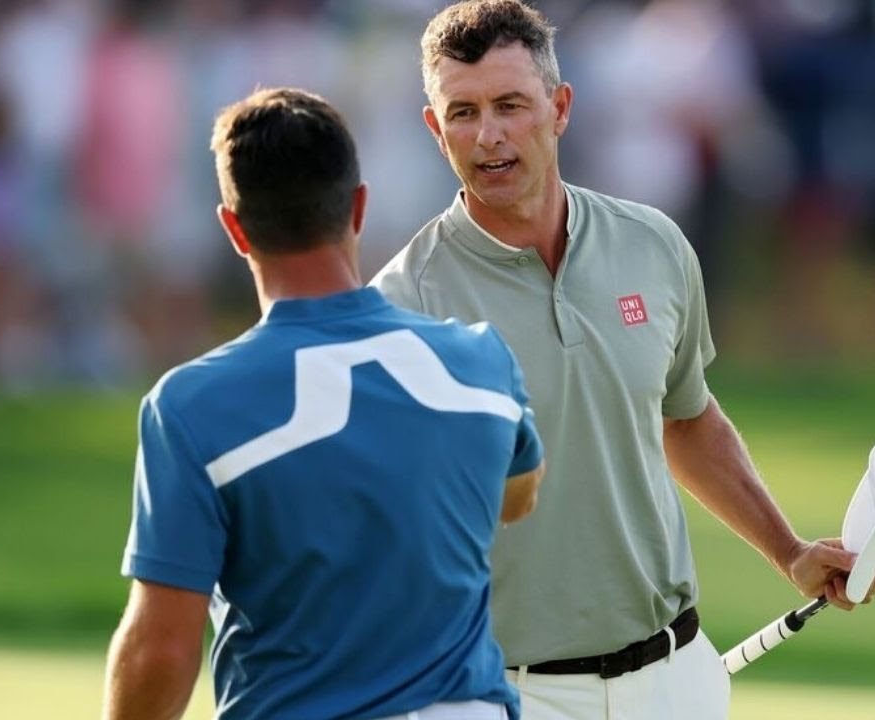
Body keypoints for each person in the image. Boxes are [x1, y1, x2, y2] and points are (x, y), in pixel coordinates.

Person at [370, 2, 875, 718]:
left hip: (674, 675)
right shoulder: (402, 302)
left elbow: (687, 417)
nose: (487, 135)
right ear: (435, 128)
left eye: (510, 105)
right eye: (461, 112)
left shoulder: (653, 245)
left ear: (560, 108)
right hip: (505, 691)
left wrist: (789, 550)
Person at [103, 87, 545, 720]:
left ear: (233, 227)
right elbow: (518, 495)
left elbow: (162, 653)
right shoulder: (481, 360)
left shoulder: (190, 406)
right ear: (358, 207)